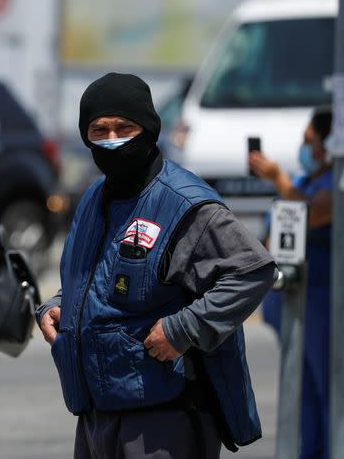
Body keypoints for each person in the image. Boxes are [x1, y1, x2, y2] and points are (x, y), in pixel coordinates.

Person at [37, 72, 277, 459]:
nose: (112, 140)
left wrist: (184, 329)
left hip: (163, 416)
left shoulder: (184, 204)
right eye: (99, 130)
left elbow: (253, 271)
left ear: (148, 128)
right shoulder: (93, 199)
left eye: (124, 127)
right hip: (97, 413)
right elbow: (92, 278)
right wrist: (57, 306)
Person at [249, 106, 333, 459]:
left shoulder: (339, 183)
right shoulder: (303, 182)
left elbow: (311, 214)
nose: (305, 148)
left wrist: (277, 178)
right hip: (290, 301)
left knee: (326, 388)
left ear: (328, 147)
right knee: (302, 392)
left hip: (322, 301)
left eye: (309, 141)